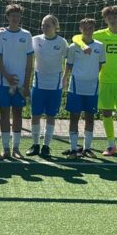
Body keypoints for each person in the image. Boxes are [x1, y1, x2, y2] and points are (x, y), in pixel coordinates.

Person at [73, 5, 117, 157]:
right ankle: (111, 146)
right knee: (107, 113)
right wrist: (83, 45)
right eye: (109, 17)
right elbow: (76, 37)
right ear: (105, 19)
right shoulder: (99, 35)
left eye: (115, 16)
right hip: (104, 81)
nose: (113, 19)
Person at [0, 3, 33, 160]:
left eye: (17, 16)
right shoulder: (1, 35)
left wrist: (26, 84)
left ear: (20, 17)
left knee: (17, 114)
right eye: (12, 16)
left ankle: (16, 148)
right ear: (8, 17)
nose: (15, 18)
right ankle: (5, 149)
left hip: (20, 84)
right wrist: (6, 76)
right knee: (4, 115)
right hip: (4, 83)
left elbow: (30, 60)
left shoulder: (27, 35)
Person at [64, 17, 105, 157]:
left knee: (90, 118)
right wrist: (65, 79)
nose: (88, 31)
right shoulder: (73, 46)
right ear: (80, 29)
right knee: (74, 117)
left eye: (90, 28)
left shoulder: (100, 46)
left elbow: (99, 65)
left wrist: (91, 76)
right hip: (76, 87)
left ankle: (87, 148)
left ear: (94, 29)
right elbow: (68, 65)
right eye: (85, 28)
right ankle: (73, 148)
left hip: (92, 88)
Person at [27, 15, 67, 158]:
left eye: (48, 25)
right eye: (43, 24)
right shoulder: (35, 40)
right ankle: (36, 144)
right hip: (38, 84)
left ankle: (46, 146)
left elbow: (69, 60)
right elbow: (22, 47)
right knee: (35, 115)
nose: (44, 27)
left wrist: (65, 77)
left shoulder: (62, 42)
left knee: (51, 116)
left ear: (55, 26)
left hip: (55, 86)